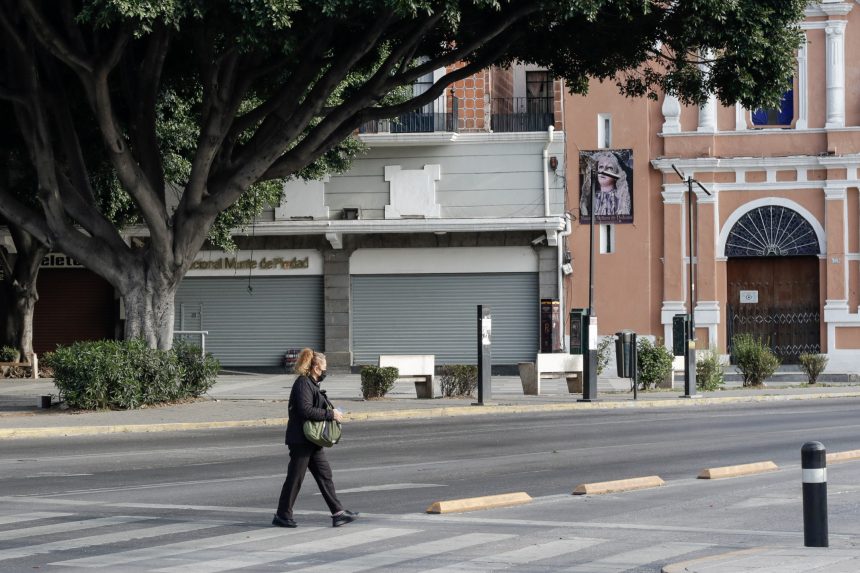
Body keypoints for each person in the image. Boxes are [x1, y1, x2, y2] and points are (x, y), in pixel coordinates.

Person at [273, 348, 358, 528]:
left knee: (324, 474)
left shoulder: (311, 383)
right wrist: (330, 414)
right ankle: (282, 515)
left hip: (312, 440)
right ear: (316, 367)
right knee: (295, 478)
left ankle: (338, 512)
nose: (326, 369)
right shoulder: (303, 383)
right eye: (324, 365)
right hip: (301, 440)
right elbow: (305, 410)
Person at [580, 150, 631, 219]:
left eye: (609, 168)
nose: (604, 170)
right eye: (601, 167)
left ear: (616, 173)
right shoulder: (593, 197)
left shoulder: (619, 196)